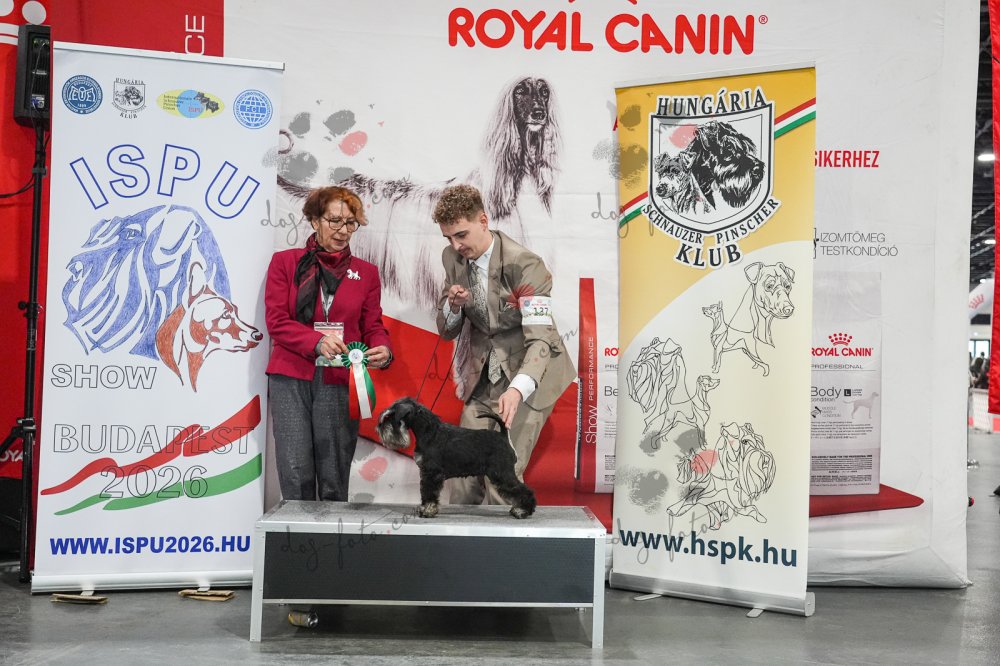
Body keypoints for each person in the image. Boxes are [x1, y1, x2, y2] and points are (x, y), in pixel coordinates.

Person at [433, 184, 575, 505]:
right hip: (484, 377)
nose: (455, 245)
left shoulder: (525, 264)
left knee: (501, 476)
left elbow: (541, 339)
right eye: (448, 238)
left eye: (461, 235)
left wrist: (517, 390)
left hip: (530, 375)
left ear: (483, 221)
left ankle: (506, 538)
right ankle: (460, 539)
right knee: (462, 474)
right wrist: (453, 306)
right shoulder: (451, 258)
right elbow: (446, 330)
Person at [264, 186, 392, 501]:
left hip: (339, 378)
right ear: (314, 220)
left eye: (351, 223)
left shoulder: (366, 273)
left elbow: (372, 324)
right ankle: (296, 532)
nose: (343, 231)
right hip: (290, 377)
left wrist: (383, 348)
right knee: (295, 470)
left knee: (334, 473)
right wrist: (317, 341)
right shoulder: (285, 263)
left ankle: (333, 533)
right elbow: (276, 321)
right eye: (334, 221)